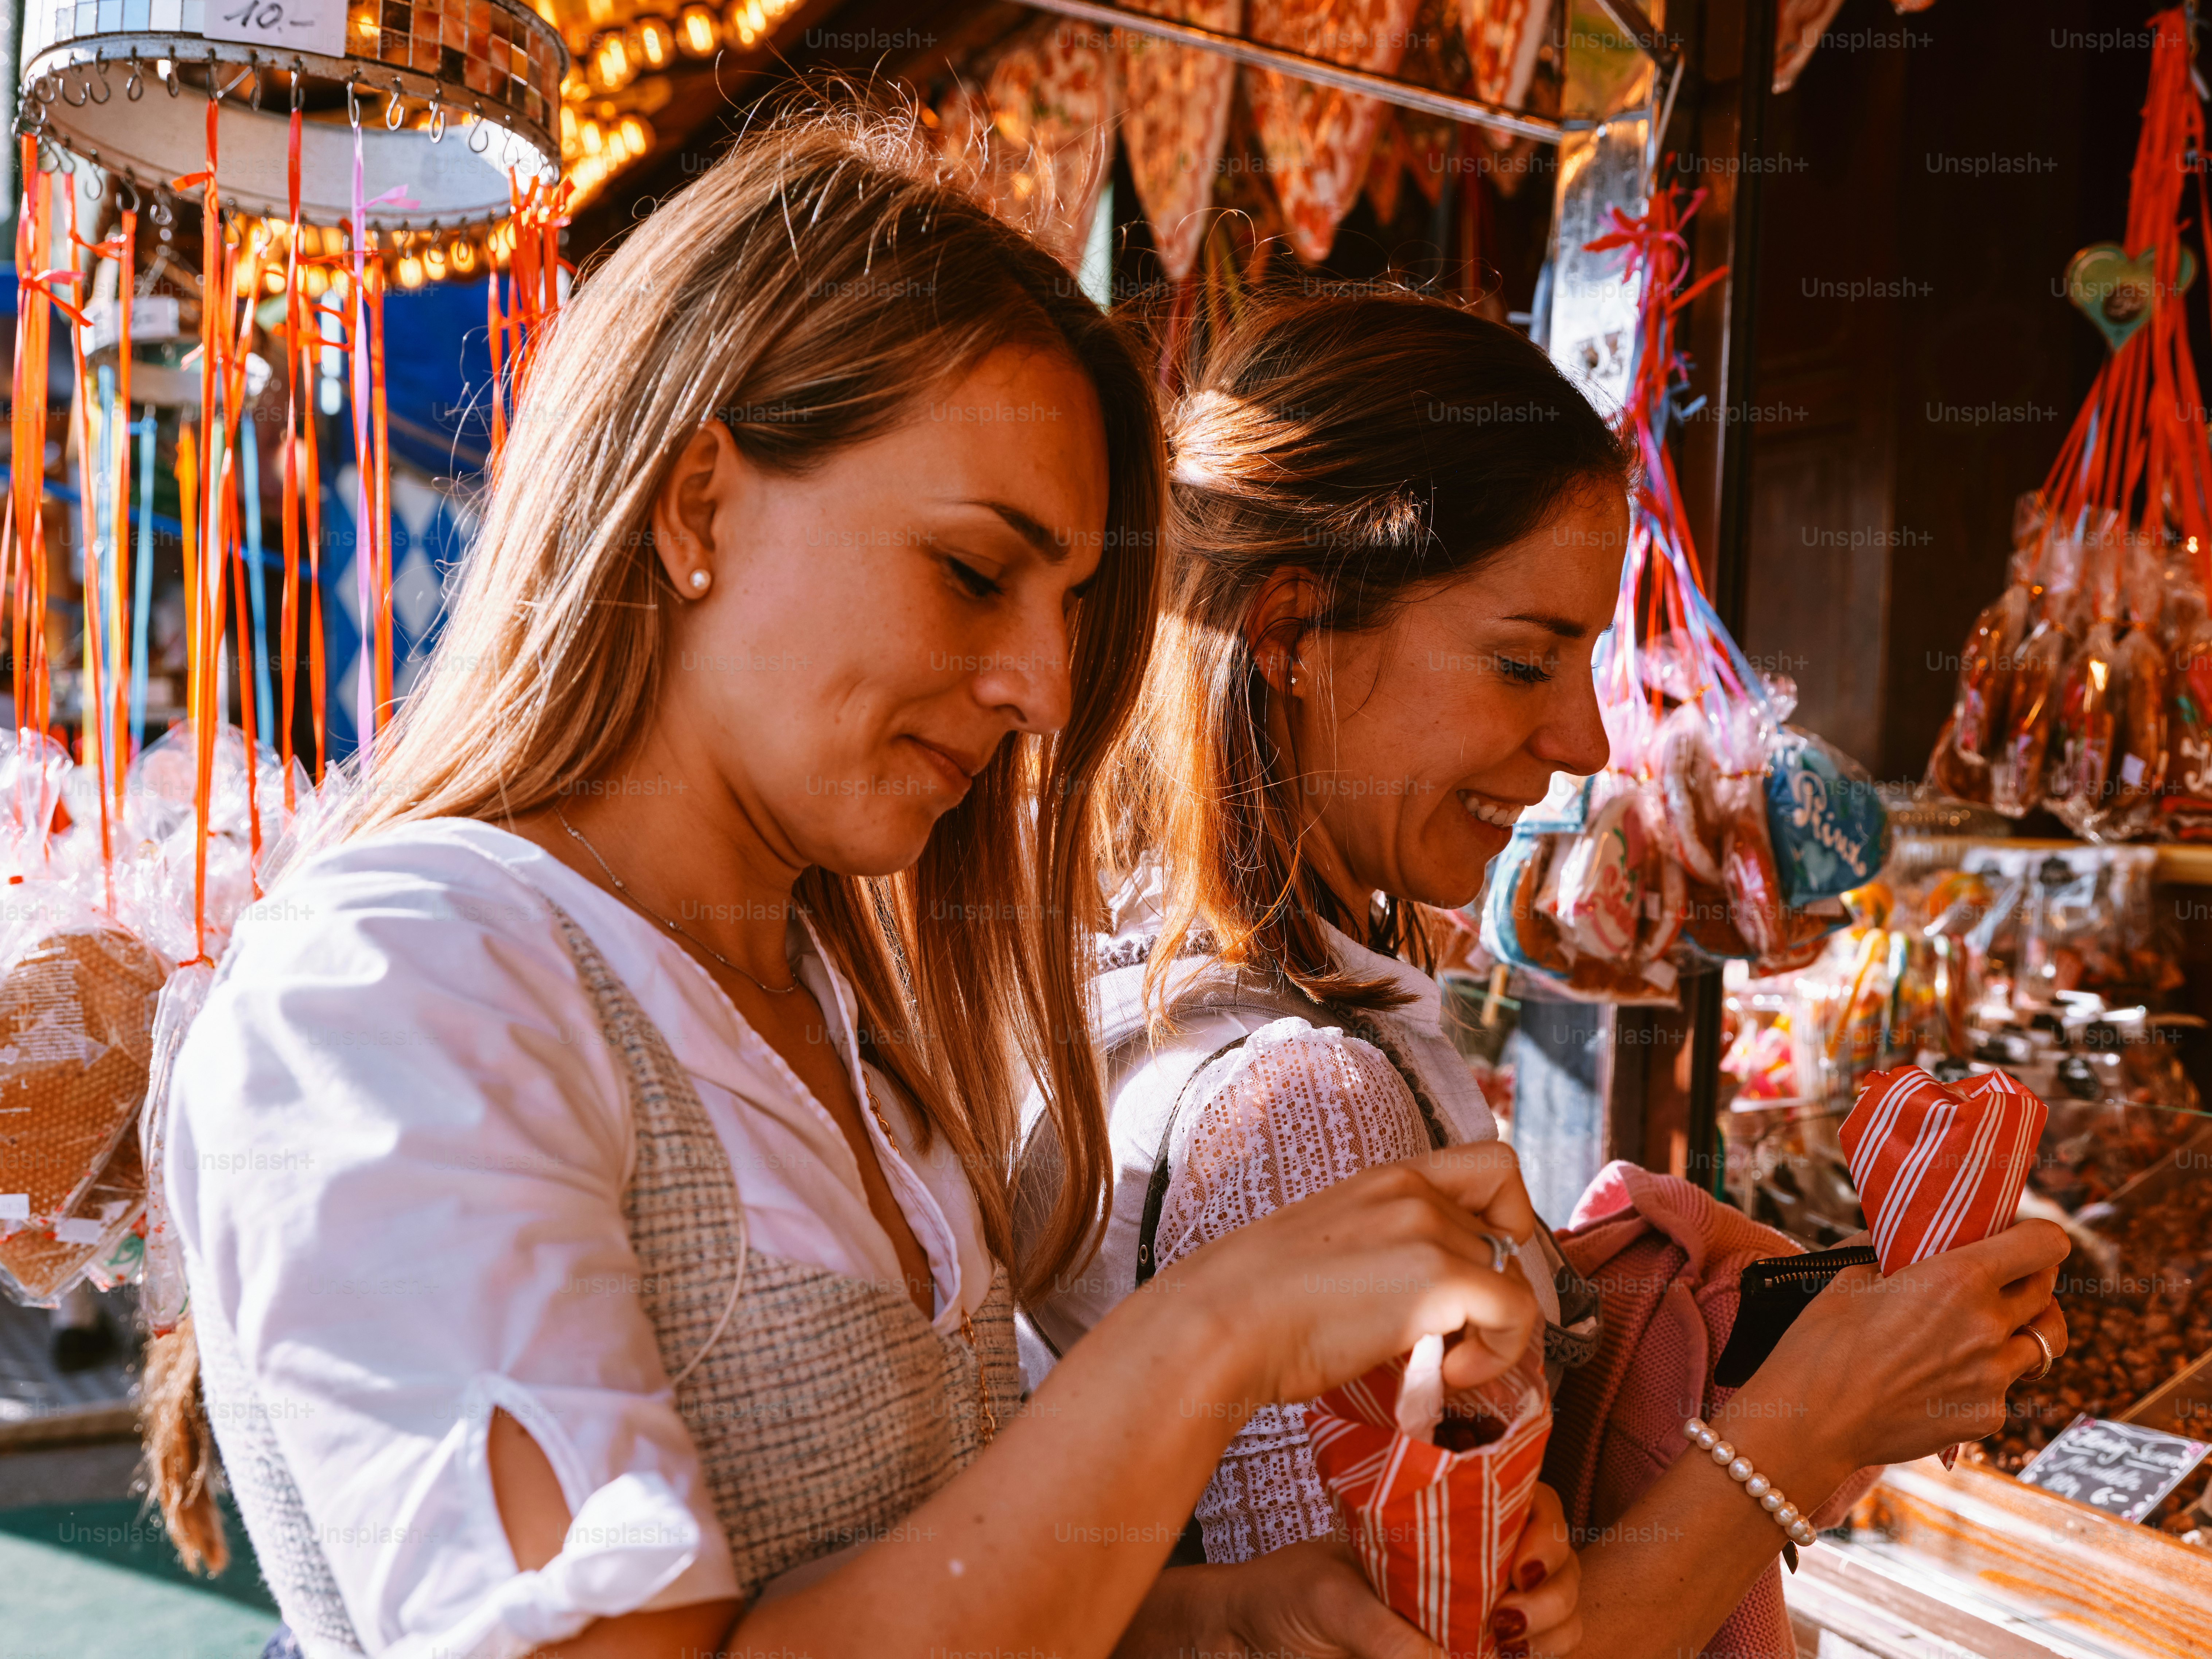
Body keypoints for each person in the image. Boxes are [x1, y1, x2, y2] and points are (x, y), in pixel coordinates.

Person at [151, 106, 1568, 1659]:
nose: (1037, 684)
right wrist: (1209, 1334)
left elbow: (910, 1574)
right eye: (971, 571)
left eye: (1068, 606)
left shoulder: (840, 1007)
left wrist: (1213, 1621)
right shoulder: (402, 982)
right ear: (697, 505)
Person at [1018, 290, 2072, 1659]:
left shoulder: (1119, 979)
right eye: (1524, 659)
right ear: (1288, 633)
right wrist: (1806, 1434)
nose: (1583, 738)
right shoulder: (1298, 1103)